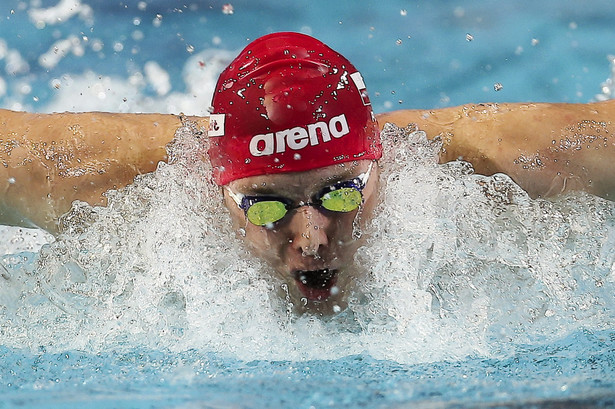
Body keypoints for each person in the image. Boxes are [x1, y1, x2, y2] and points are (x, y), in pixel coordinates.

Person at [1, 32, 614, 310]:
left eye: (342, 194)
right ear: (216, 190)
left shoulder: (500, 162)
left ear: (381, 167)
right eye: (266, 205)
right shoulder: (92, 180)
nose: (313, 238)